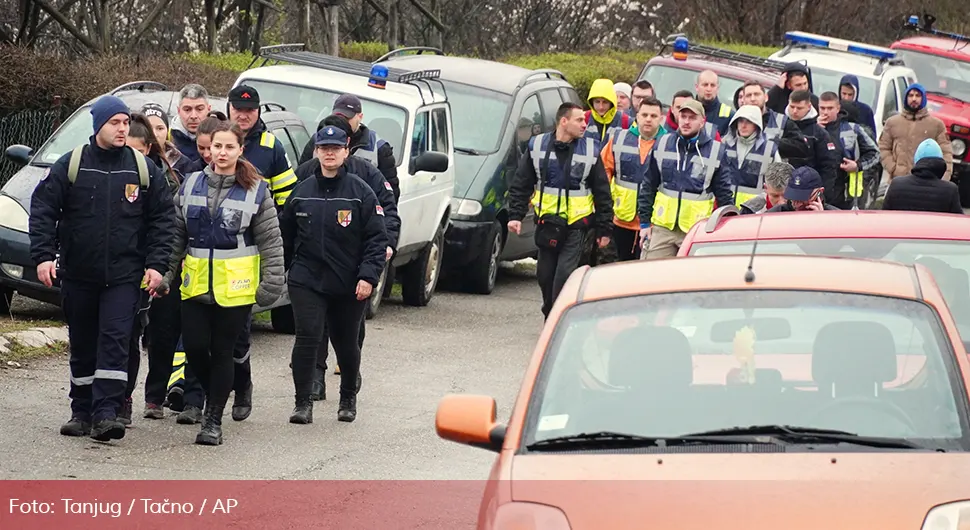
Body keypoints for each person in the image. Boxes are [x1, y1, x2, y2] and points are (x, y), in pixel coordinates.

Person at [29, 95, 176, 441]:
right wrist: (43, 256)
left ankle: (107, 412)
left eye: (126, 123)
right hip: (79, 274)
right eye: (115, 123)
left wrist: (156, 265)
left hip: (125, 277)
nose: (123, 129)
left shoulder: (142, 169)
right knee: (83, 342)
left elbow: (163, 219)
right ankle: (81, 410)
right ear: (99, 126)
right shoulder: (71, 164)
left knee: (115, 341)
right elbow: (43, 210)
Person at [158, 120, 285, 445]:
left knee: (223, 351)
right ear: (208, 150)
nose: (223, 152)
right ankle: (234, 387)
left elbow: (271, 241)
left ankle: (212, 420)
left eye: (230, 146)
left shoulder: (256, 189)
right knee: (197, 350)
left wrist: (270, 284)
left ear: (240, 150)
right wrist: (165, 273)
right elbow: (176, 236)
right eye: (217, 146)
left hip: (236, 291)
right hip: (196, 287)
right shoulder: (190, 184)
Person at [281, 125, 389, 423]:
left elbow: (376, 239)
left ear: (346, 151)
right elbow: (286, 236)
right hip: (307, 280)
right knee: (307, 338)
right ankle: (302, 402)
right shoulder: (301, 191)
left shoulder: (360, 192)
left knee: (345, 341)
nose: (329, 153)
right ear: (316, 151)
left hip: (348, 282)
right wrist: (281, 274)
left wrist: (368, 276)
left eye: (335, 148)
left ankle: (347, 397)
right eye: (324, 148)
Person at [224, 84, 297, 422]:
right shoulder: (218, 139)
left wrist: (273, 242)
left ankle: (242, 387)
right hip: (211, 250)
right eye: (238, 108)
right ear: (229, 109)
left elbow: (288, 202)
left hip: (249, 254)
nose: (244, 114)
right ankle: (200, 398)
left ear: (258, 112)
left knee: (238, 329)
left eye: (250, 109)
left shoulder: (271, 147)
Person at [507, 102, 613, 319]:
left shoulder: (591, 150)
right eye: (579, 120)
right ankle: (551, 314)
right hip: (547, 224)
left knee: (563, 277)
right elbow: (522, 182)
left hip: (576, 227)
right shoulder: (537, 146)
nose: (585, 124)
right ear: (563, 121)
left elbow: (602, 192)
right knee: (545, 277)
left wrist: (604, 229)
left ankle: (556, 323)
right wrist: (515, 215)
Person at [637, 98, 736, 258]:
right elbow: (648, 185)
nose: (686, 122)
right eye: (683, 117)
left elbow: (724, 195)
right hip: (662, 228)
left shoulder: (716, 151)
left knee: (689, 280)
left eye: (692, 118)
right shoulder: (662, 143)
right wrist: (644, 223)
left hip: (696, 229)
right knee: (650, 276)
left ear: (702, 122)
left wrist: (725, 230)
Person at [600, 96, 665, 261]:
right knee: (619, 267)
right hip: (622, 219)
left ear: (661, 118)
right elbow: (603, 172)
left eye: (653, 116)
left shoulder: (669, 143)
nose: (648, 119)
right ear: (637, 116)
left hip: (655, 222)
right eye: (644, 115)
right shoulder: (620, 139)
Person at [817, 92, 880, 210]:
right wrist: (815, 130)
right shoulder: (812, 129)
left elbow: (875, 153)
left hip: (845, 195)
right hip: (817, 194)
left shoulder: (853, 129)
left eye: (830, 108)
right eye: (822, 108)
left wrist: (857, 165)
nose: (825, 112)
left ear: (838, 108)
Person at [879, 83, 954, 182]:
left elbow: (946, 154)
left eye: (918, 95)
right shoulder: (892, 123)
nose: (914, 99)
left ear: (923, 98)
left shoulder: (936, 125)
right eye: (910, 95)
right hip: (898, 181)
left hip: (926, 183)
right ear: (906, 98)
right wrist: (893, 169)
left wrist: (943, 179)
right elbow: (883, 147)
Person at [785, 90, 840, 204]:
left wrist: (821, 196)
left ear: (809, 106)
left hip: (805, 193)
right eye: (792, 106)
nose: (794, 111)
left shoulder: (818, 133)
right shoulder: (780, 124)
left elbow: (828, 167)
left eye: (799, 108)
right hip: (780, 189)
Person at [722, 105, 781, 208]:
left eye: (748, 122)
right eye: (740, 121)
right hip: (726, 206)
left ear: (756, 124)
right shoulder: (724, 145)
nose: (743, 126)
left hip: (755, 209)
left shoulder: (769, 149)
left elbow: (778, 183)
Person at [882, 139, 963, 214]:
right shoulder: (950, 190)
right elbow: (958, 221)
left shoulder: (897, 184)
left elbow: (884, 217)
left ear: (916, 160)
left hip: (902, 229)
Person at [739, 80, 809, 162]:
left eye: (757, 94)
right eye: (748, 95)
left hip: (771, 173)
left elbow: (802, 148)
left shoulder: (782, 121)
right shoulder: (736, 122)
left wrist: (773, 143)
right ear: (743, 99)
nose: (753, 99)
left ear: (766, 97)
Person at [766, 166, 841, 212]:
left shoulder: (837, 218)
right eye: (794, 197)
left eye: (803, 198)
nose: (797, 204)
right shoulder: (774, 215)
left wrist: (822, 222)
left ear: (819, 192)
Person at [170, 84, 212, 163]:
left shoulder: (222, 138)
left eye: (199, 109)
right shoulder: (167, 138)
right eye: (187, 110)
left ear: (209, 109)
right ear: (178, 111)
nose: (193, 116)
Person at [584, 78, 632, 143]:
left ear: (611, 102)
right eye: (597, 102)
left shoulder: (626, 121)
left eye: (605, 102)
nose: (601, 107)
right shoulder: (583, 119)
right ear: (591, 102)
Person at [695, 70, 735, 137]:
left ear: (717, 88)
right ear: (697, 87)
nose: (708, 89)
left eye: (712, 85)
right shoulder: (686, 111)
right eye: (705, 85)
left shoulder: (729, 116)